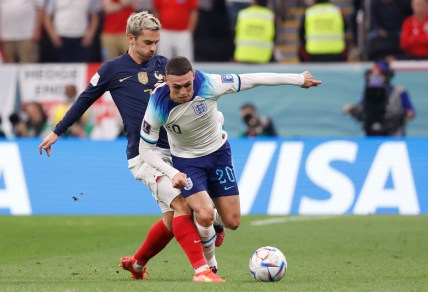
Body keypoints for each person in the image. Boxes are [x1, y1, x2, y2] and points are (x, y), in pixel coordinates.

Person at [38, 11, 223, 283]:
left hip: (176, 152)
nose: (153, 48)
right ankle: (203, 271)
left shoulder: (163, 64)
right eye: (148, 42)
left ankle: (137, 264)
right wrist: (57, 131)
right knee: (183, 205)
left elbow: (188, 96)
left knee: (174, 223)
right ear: (130, 38)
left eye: (156, 42)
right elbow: (85, 99)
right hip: (143, 155)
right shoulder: (113, 69)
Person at [138, 56, 321, 265]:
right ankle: (209, 266)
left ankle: (217, 224)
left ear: (194, 77)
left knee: (232, 221)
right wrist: (173, 173)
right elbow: (145, 150)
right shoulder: (158, 103)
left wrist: (298, 79)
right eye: (176, 87)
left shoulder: (209, 84)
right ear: (167, 82)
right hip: (187, 162)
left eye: (187, 85)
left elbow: (254, 78)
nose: (183, 92)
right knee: (204, 213)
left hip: (218, 154)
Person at [343, 61, 415, 136]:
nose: (376, 78)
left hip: (394, 133)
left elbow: (410, 111)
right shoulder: (370, 92)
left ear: (386, 76)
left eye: (379, 75)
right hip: (372, 131)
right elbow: (361, 106)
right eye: (373, 75)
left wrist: (406, 114)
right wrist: (351, 109)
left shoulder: (399, 91)